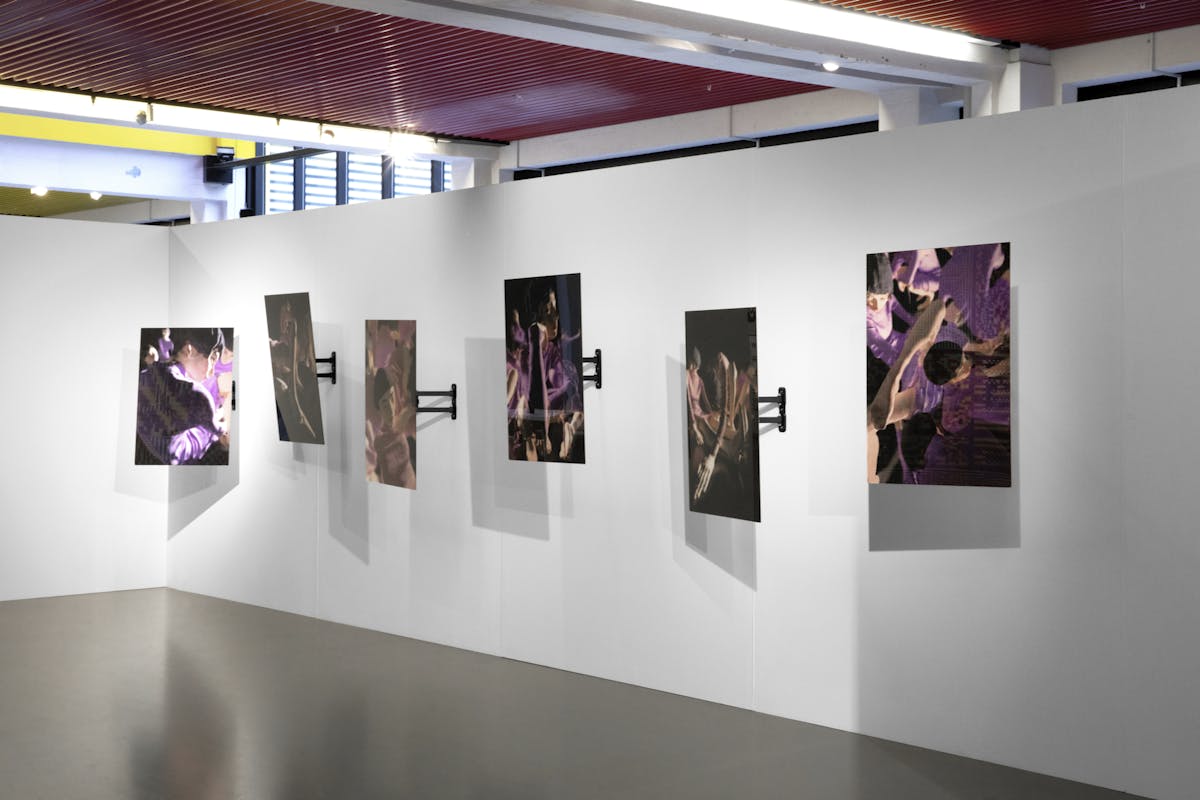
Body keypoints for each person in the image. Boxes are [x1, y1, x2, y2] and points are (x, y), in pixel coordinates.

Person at [135, 327, 232, 465]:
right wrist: (224, 424)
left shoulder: (145, 374)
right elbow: (221, 433)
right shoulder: (199, 396)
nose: (211, 371)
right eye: (212, 359)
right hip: (184, 453)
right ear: (188, 350)